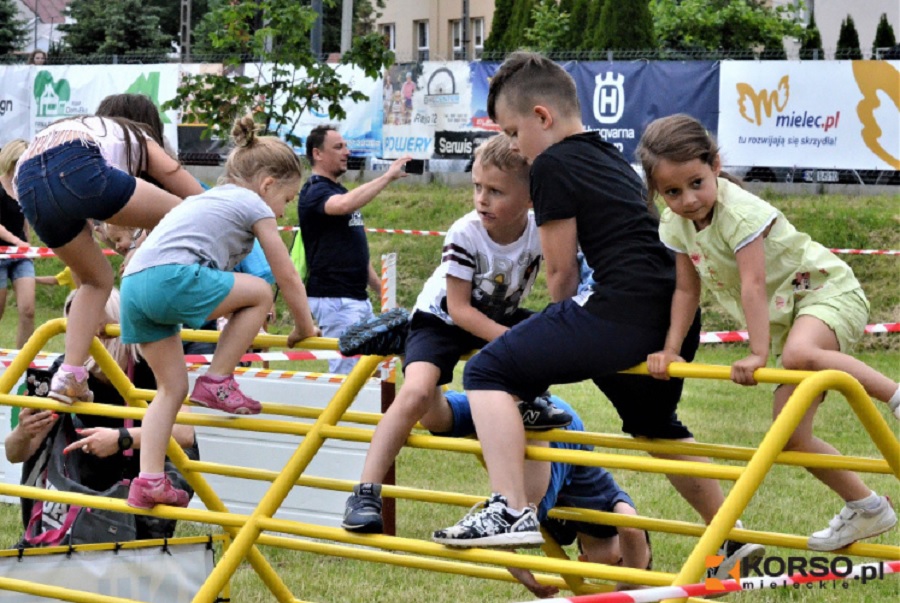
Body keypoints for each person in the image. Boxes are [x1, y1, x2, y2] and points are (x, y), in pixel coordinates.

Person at [432, 53, 761, 578]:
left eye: (514, 133)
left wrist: (546, 341)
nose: (514, 148)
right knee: (654, 426)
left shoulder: (553, 164)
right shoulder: (604, 153)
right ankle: (734, 538)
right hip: (670, 313)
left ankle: (509, 507)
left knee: (488, 370)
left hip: (621, 309)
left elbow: (561, 277)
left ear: (543, 117)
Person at [638, 113, 899, 552]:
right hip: (792, 318)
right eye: (672, 192)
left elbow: (753, 284)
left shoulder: (740, 211)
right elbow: (686, 288)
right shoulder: (676, 224)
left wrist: (758, 354)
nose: (688, 200)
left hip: (826, 290)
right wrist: (670, 350)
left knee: (797, 356)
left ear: (715, 166)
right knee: (791, 436)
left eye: (697, 183)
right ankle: (867, 506)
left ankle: (895, 395)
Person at [342, 134, 572, 535]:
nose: (482, 199)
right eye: (477, 187)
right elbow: (459, 309)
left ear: (531, 198)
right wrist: (512, 341)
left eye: (495, 191)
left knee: (552, 335)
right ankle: (365, 491)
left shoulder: (542, 230)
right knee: (415, 394)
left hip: (497, 313)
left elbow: (562, 287)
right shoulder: (465, 233)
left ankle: (530, 413)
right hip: (442, 316)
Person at [119, 115, 319, 509]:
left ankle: (149, 480)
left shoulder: (206, 199)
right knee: (261, 293)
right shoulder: (250, 201)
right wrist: (304, 325)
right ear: (267, 185)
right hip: (167, 280)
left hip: (133, 285)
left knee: (171, 389)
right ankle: (217, 379)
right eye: (287, 200)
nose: (283, 212)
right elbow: (285, 273)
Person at [8, 115, 201, 405]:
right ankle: (202, 296)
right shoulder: (140, 140)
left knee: (95, 280)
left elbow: (80, 266)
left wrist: (95, 314)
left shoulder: (92, 133)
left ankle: (70, 373)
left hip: (27, 184)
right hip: (72, 166)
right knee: (191, 214)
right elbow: (189, 188)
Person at [5, 288, 197, 542]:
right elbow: (15, 454)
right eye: (75, 327)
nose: (84, 336)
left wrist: (120, 439)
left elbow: (185, 434)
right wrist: (22, 432)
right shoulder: (63, 373)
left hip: (141, 477)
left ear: (117, 324)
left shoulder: (151, 365)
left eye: (92, 322)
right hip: (83, 481)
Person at [437, 392, 652, 596]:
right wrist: (630, 582)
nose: (616, 571)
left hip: (520, 430)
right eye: (622, 562)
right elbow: (631, 528)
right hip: (564, 433)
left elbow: (503, 532)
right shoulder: (605, 500)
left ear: (583, 560)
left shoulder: (562, 534)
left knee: (438, 415)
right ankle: (529, 397)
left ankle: (425, 387)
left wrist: (523, 574)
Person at [298, 125, 410, 374]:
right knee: (347, 375)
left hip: (356, 298)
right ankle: (342, 415)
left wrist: (384, 294)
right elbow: (345, 204)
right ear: (317, 154)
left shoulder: (338, 190)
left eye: (346, 146)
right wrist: (387, 177)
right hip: (336, 299)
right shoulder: (315, 190)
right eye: (338, 147)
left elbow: (357, 256)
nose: (346, 152)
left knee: (370, 373)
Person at [0, 140, 36, 348]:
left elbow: (24, 221)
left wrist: (29, 246)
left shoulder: (23, 187)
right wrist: (15, 241)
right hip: (2, 254)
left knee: (28, 309)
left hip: (21, 256)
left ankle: (23, 362)